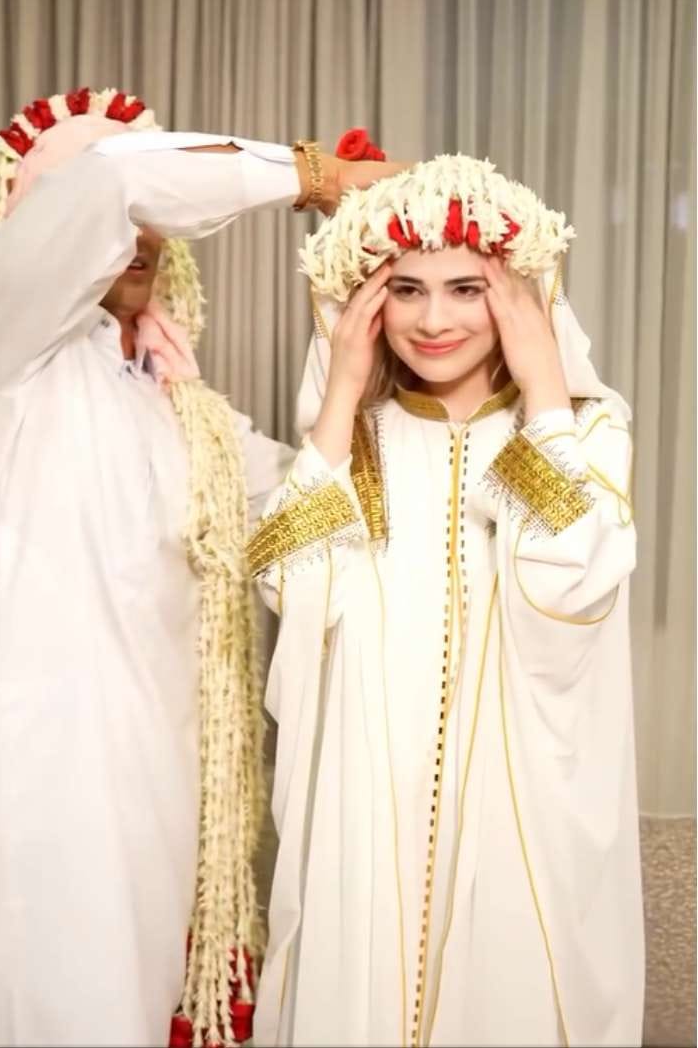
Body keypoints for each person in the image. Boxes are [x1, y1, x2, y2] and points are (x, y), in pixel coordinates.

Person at [0, 88, 405, 1048]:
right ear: (33, 224)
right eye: (102, 219)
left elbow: (306, 514)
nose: (135, 237)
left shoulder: (182, 412)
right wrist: (322, 178)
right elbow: (112, 178)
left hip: (159, 800)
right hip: (26, 789)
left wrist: (356, 371)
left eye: (150, 224)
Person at [249, 151, 644, 1047]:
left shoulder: (584, 431)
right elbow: (290, 589)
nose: (434, 321)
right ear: (366, 303)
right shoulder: (355, 442)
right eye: (406, 290)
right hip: (370, 799)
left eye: (468, 289)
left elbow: (569, 575)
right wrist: (339, 395)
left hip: (520, 803)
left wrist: (544, 386)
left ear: (523, 296)